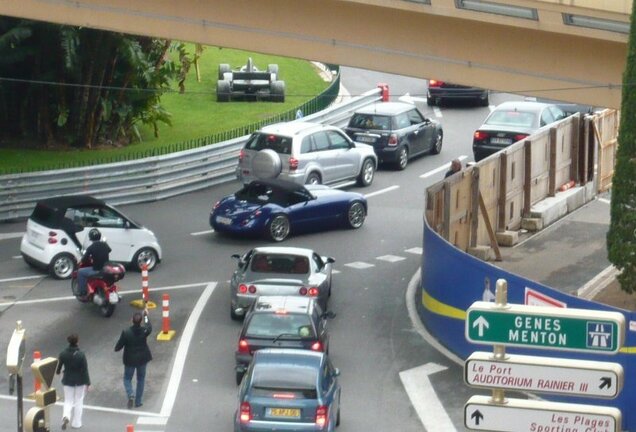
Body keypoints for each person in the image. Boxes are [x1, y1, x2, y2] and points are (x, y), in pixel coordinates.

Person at [115, 309, 152, 409]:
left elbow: (118, 347)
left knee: (127, 378)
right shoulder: (144, 331)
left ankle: (131, 393)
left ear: (132, 320)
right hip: (142, 358)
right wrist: (146, 316)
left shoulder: (126, 332)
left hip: (130, 359)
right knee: (141, 379)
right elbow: (149, 326)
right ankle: (138, 401)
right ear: (140, 322)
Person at [56, 333, 90, 430]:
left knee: (68, 400)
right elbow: (85, 370)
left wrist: (58, 372)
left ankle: (66, 416)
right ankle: (77, 423)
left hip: (67, 379)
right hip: (79, 380)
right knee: (79, 400)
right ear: (77, 342)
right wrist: (88, 383)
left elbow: (59, 367)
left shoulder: (63, 354)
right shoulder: (81, 355)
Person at [77, 228, 111, 297]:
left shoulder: (91, 247)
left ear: (90, 238)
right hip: (106, 269)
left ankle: (82, 291)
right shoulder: (104, 245)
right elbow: (109, 250)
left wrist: (80, 261)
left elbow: (84, 259)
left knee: (80, 271)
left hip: (97, 270)